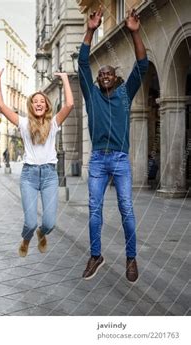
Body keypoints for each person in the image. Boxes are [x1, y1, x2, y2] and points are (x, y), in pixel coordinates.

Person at [79, 7, 148, 282]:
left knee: (126, 208)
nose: (105, 75)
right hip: (97, 158)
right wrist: (91, 30)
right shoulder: (91, 95)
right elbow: (83, 64)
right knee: (94, 208)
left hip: (119, 159)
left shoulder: (124, 93)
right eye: (101, 74)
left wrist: (135, 32)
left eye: (109, 73)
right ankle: (96, 255)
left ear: (116, 79)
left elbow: (142, 66)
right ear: (97, 81)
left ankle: (131, 259)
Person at [0, 67, 73, 257]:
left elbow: (69, 104)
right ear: (31, 106)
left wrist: (65, 79)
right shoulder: (23, 123)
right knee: (30, 222)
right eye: (35, 102)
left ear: (46, 106)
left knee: (50, 223)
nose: (38, 104)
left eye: (41, 101)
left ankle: (41, 234)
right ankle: (26, 239)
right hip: (29, 175)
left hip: (49, 176)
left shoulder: (53, 123)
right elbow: (2, 106)